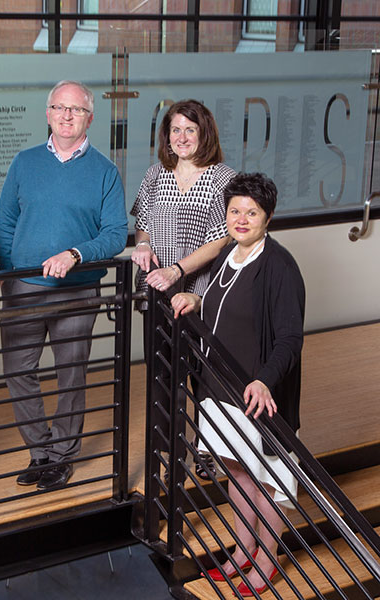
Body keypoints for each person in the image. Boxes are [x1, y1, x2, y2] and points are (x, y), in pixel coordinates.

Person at [171, 172, 305, 596]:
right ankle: (242, 551)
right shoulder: (228, 252)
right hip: (218, 389)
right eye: (235, 211)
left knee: (266, 478)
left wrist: (265, 381)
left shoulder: (280, 266)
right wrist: (195, 300)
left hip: (257, 397)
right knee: (236, 470)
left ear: (268, 217)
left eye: (252, 212)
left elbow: (289, 339)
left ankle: (266, 562)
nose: (241, 219)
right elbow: (220, 304)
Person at [0, 80, 128, 491]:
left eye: (76, 109)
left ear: (90, 117)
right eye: (59, 107)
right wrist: (10, 280)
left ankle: (61, 456)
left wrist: (75, 254)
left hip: (78, 290)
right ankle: (40, 452)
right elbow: (4, 226)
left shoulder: (105, 171)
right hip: (25, 289)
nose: (67, 115)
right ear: (48, 113)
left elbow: (116, 234)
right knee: (18, 371)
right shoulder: (24, 162)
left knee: (71, 374)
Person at [130, 99, 235, 479]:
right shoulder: (155, 175)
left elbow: (220, 240)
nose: (182, 137)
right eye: (175, 130)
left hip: (201, 294)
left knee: (203, 380)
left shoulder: (223, 178)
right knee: (162, 380)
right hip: (157, 292)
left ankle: (207, 452)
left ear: (204, 133)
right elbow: (142, 222)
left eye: (190, 129)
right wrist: (142, 244)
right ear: (166, 137)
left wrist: (178, 270)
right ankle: (167, 456)